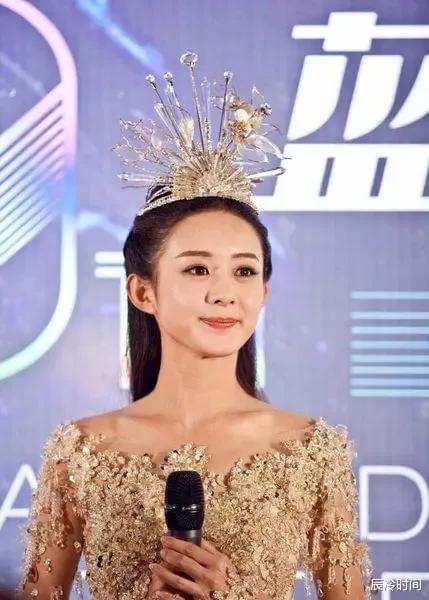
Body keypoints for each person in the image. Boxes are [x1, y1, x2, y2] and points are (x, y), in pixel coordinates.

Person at [17, 52, 374, 600]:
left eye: (244, 271)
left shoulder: (310, 451)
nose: (224, 292)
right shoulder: (80, 451)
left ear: (263, 293)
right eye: (198, 269)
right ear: (143, 291)